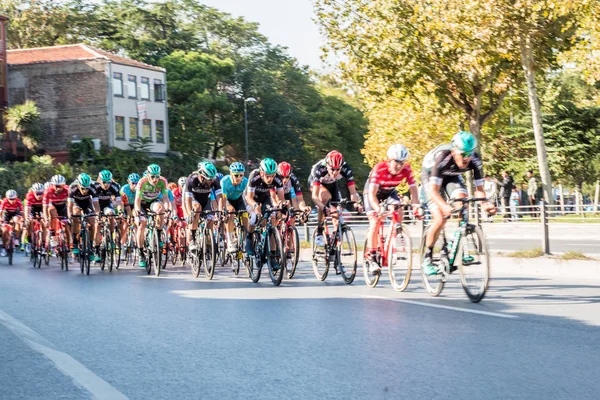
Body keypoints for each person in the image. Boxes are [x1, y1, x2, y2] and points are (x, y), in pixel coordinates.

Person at [420, 131, 496, 275]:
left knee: (463, 200)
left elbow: (479, 190)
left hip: (452, 177)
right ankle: (427, 257)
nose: (467, 158)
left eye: (470, 153)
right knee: (440, 217)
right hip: (431, 175)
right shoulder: (443, 157)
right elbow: (434, 192)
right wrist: (444, 206)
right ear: (454, 151)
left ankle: (460, 246)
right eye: (463, 154)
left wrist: (486, 204)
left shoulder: (475, 159)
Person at [363, 144, 419, 274]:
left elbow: (413, 189)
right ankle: (371, 258)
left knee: (398, 209)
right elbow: (372, 194)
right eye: (396, 162)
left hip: (389, 192)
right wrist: (378, 209)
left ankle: (394, 237)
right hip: (373, 193)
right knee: (375, 221)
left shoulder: (407, 169)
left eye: (402, 163)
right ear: (389, 160)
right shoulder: (379, 169)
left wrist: (416, 206)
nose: (399, 166)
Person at [309, 150, 363, 247]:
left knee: (336, 210)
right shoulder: (319, 169)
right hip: (318, 184)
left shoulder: (346, 169)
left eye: (338, 170)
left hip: (332, 184)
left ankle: (334, 240)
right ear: (327, 165)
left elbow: (353, 192)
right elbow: (314, 196)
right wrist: (323, 207)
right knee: (324, 197)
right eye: (332, 169)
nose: (335, 172)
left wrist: (356, 204)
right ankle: (320, 231)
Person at [244, 158, 285, 256]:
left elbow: (281, 198)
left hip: (264, 197)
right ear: (262, 173)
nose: (270, 179)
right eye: (267, 176)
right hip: (251, 198)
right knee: (254, 216)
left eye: (272, 176)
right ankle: (249, 237)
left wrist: (281, 207)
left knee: (272, 219)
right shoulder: (254, 176)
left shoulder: (277, 178)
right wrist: (255, 205)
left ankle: (273, 254)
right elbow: (249, 198)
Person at [134, 164, 170, 268]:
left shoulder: (163, 181)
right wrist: (137, 211)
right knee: (142, 223)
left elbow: (165, 198)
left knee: (160, 209)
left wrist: (167, 209)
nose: (155, 179)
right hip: (142, 203)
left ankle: (158, 234)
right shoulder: (142, 182)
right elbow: (137, 200)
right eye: (152, 176)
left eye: (157, 176)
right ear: (148, 175)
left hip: (153, 202)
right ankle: (141, 252)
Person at [185, 162, 224, 251]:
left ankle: (208, 244)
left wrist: (220, 211)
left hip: (206, 200)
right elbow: (188, 200)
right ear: (202, 177)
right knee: (197, 210)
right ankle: (193, 240)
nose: (212, 181)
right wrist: (189, 213)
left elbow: (219, 197)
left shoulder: (215, 179)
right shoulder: (192, 180)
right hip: (194, 200)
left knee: (210, 220)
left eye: (213, 179)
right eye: (209, 179)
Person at [68, 173, 102, 261]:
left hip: (87, 203)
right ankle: (75, 243)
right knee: (75, 215)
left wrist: (98, 214)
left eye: (87, 188)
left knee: (92, 221)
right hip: (76, 203)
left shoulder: (92, 188)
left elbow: (96, 204)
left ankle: (90, 246)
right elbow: (69, 206)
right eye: (83, 188)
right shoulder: (72, 188)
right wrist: (69, 216)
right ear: (78, 185)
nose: (85, 190)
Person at [220, 162, 249, 254]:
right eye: (236, 175)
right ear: (231, 174)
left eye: (241, 175)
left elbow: (248, 196)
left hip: (238, 199)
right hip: (227, 199)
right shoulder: (225, 181)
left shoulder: (245, 181)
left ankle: (244, 241)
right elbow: (223, 198)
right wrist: (223, 211)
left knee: (245, 215)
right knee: (231, 211)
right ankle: (230, 242)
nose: (239, 178)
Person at [0, 190, 23, 256]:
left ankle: (16, 238)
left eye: (14, 199)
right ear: (7, 198)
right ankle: (4, 247)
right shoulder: (4, 201)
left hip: (15, 213)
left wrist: (22, 220)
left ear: (16, 197)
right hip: (6, 214)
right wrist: (1, 219)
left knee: (18, 221)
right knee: (4, 230)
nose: (12, 200)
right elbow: (1, 212)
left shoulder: (18, 201)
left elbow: (22, 212)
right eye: (10, 199)